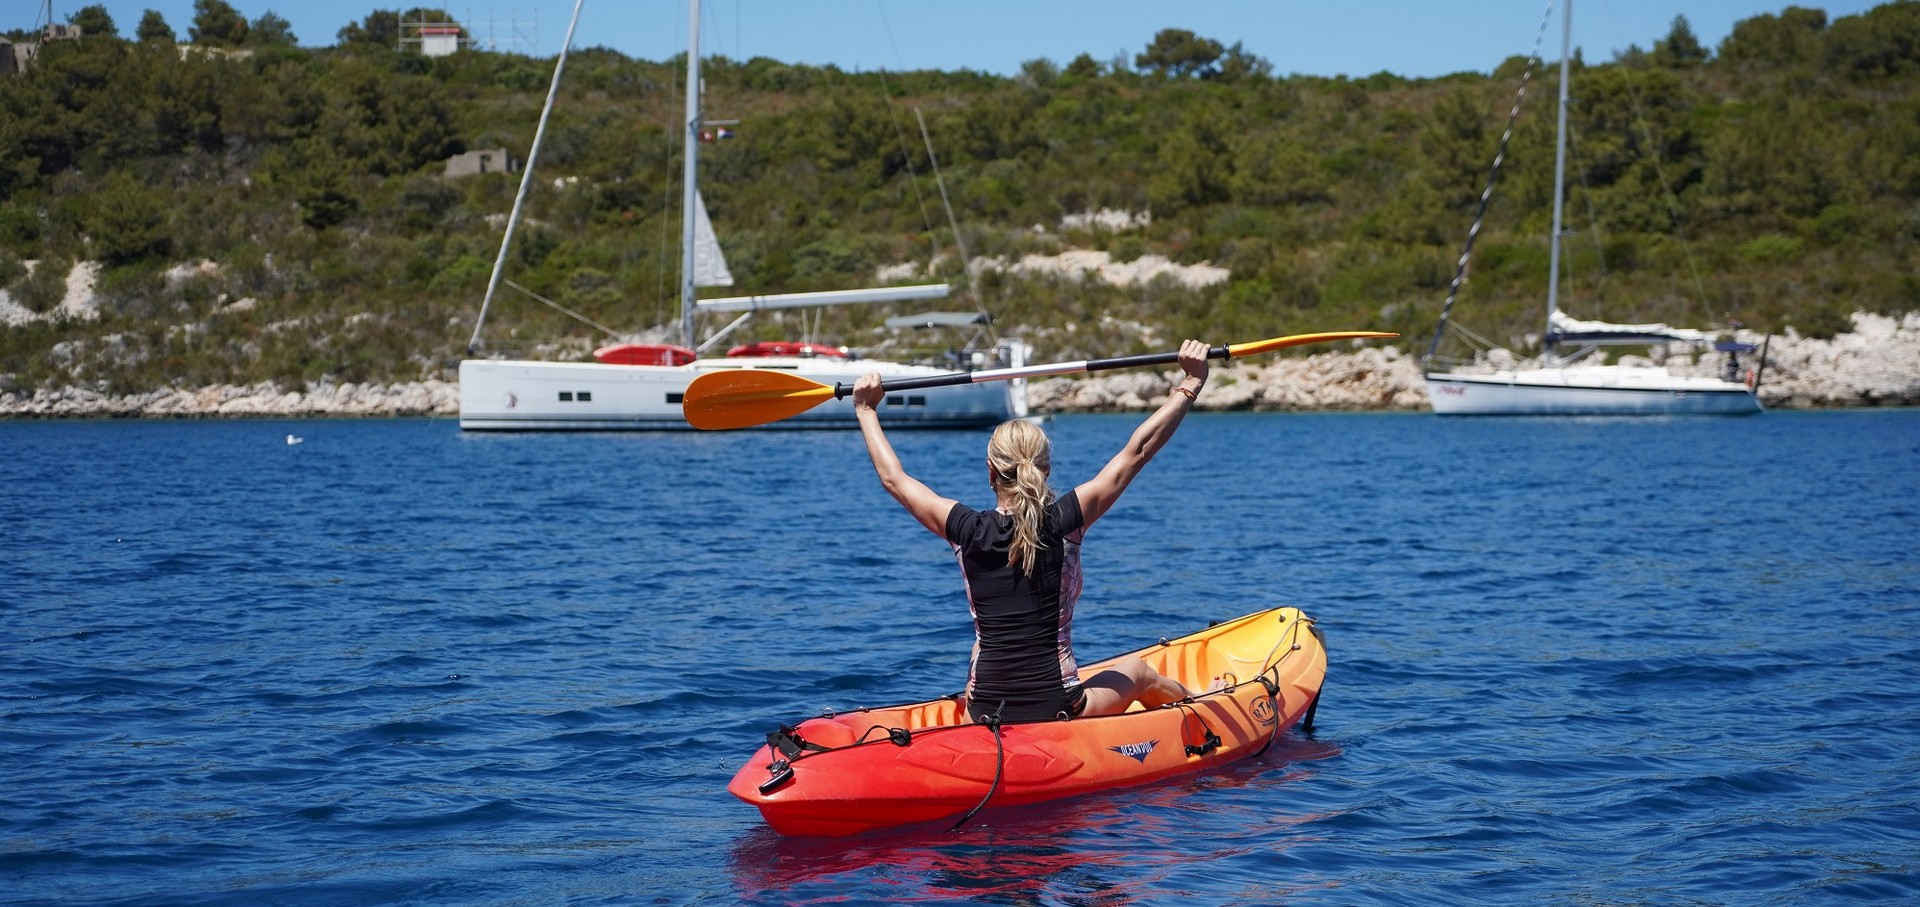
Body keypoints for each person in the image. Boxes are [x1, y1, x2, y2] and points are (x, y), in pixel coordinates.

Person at [850, 339, 1213, 725]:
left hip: (983, 708)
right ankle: (1205, 704)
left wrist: (865, 408)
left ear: (990, 471)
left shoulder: (964, 528)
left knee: (980, 648)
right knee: (1139, 671)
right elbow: (1137, 452)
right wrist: (1190, 382)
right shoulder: (1066, 521)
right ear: (1046, 470)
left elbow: (894, 478)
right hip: (1057, 705)